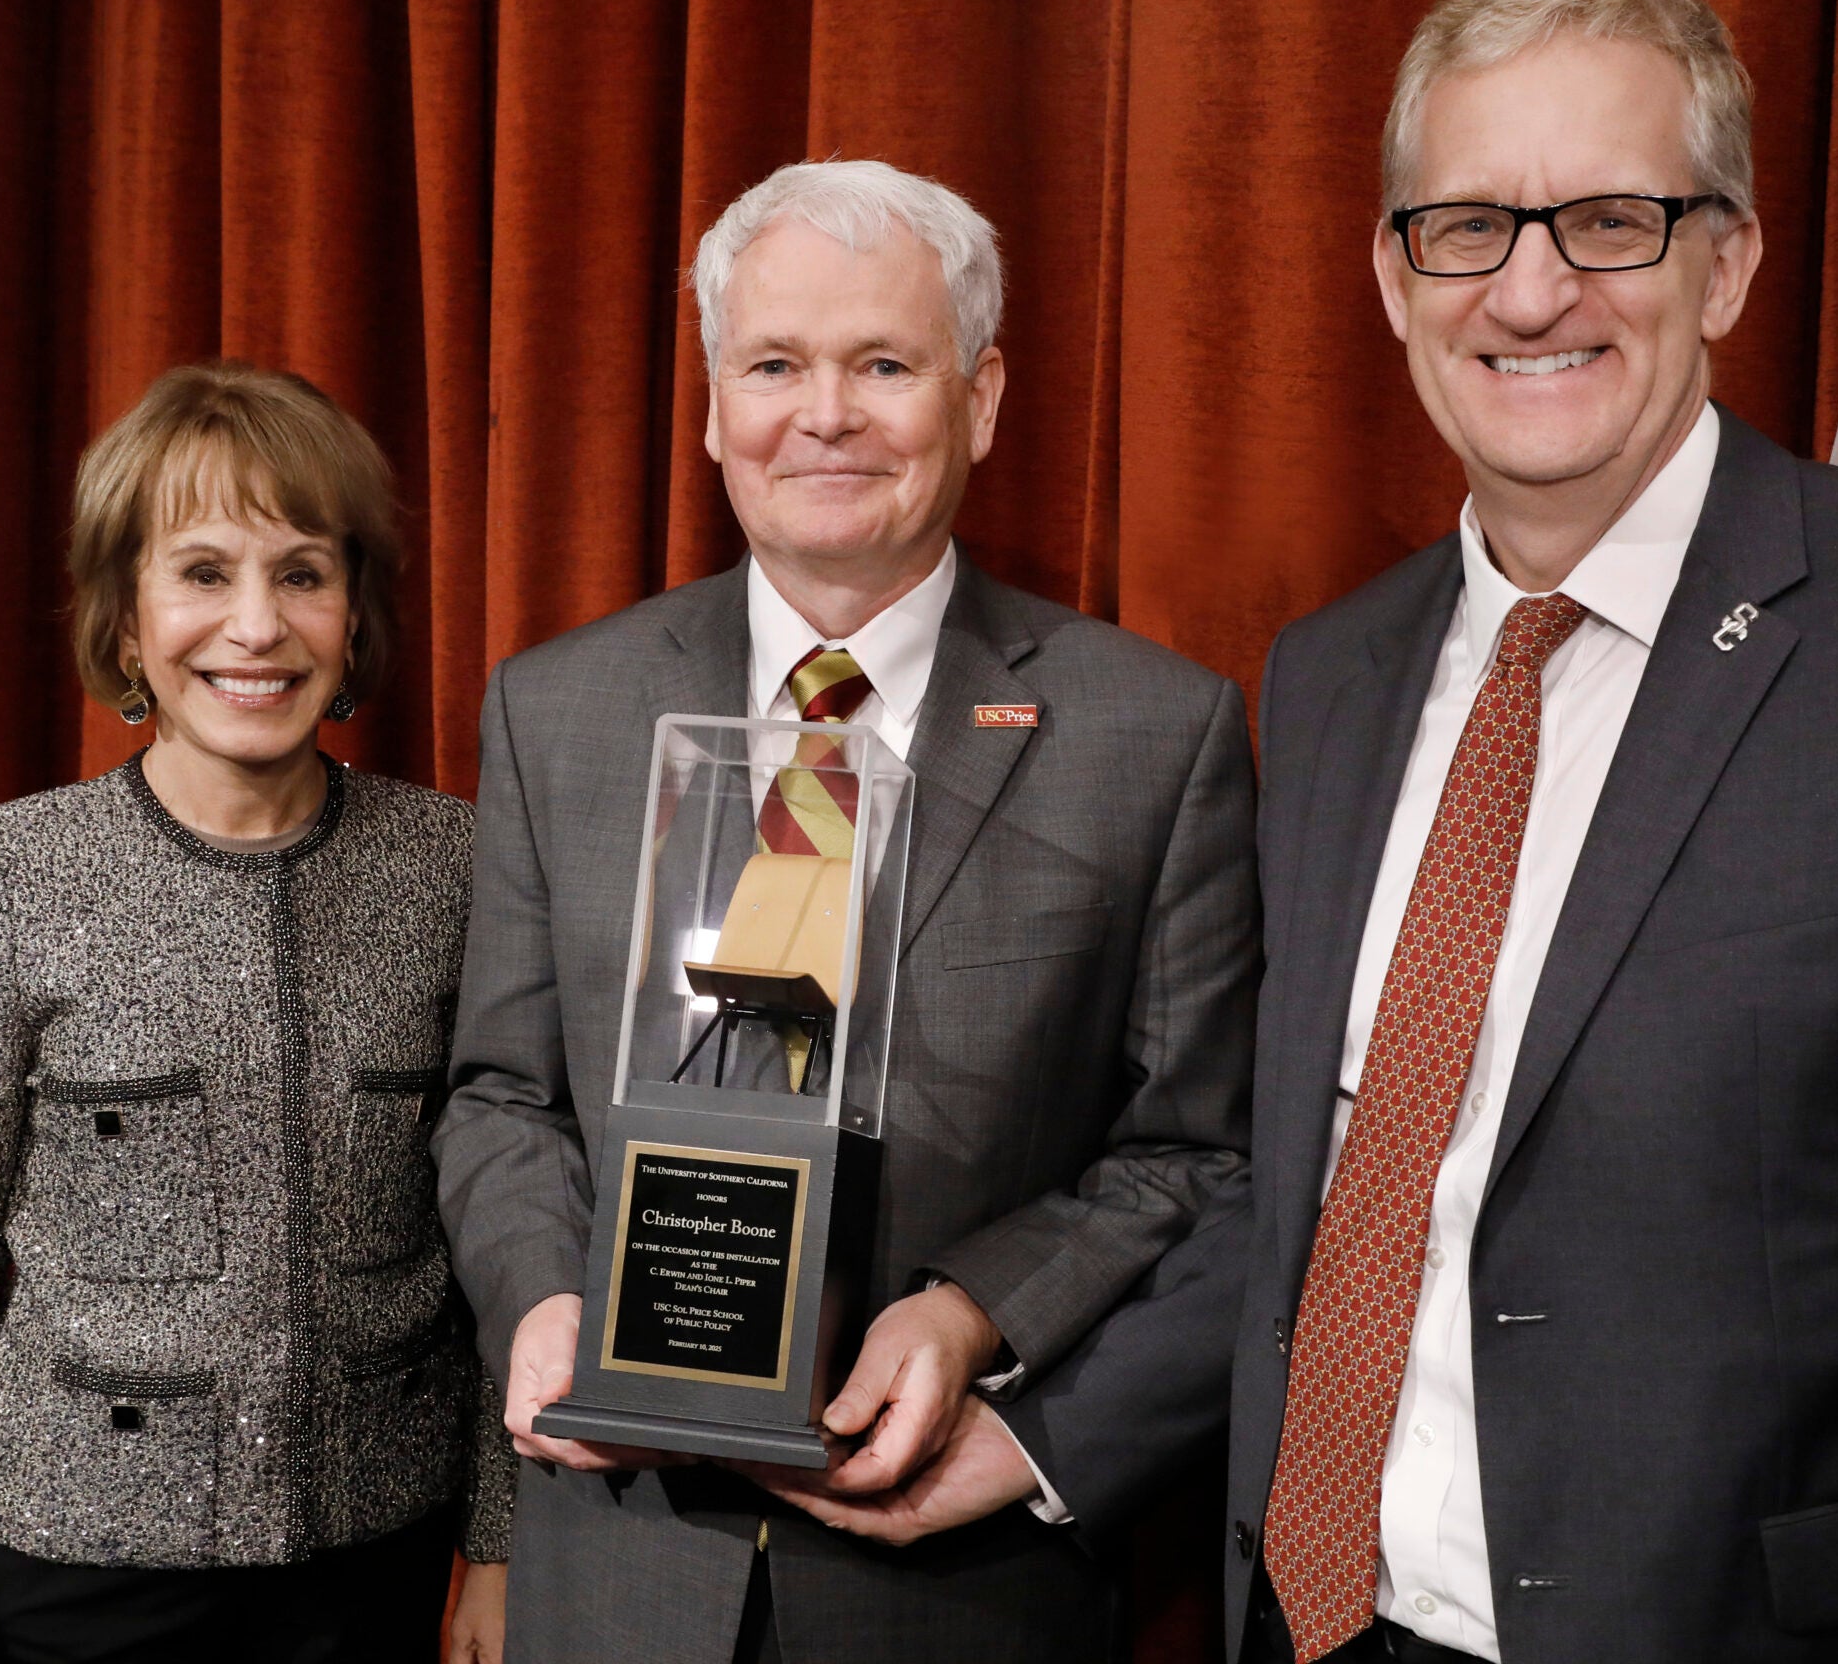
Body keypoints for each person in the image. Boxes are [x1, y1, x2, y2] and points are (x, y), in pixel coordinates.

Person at [962, 0, 1838, 1662]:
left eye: (1613, 219)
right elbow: (1323, 1178)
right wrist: (1034, 1432)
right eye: (1466, 225)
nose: (1532, 290)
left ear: (1731, 261)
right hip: (1321, 1629)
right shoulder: (1329, 675)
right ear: (1395, 281)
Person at [431, 158, 1260, 1663]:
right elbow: (501, 1094)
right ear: (710, 407)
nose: (826, 414)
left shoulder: (1158, 733)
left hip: (950, 1580)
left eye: (885, 363)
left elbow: (1193, 1154)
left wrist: (971, 1314)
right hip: (616, 1571)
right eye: (774, 366)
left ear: (982, 399)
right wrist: (543, 1298)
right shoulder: (556, 709)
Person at [0, 362, 513, 1664]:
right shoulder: (7, 872)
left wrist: (497, 1547)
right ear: (125, 621)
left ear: (354, 614)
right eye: (203, 573)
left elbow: (506, 1241)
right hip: (82, 1567)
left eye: (303, 573)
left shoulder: (456, 866)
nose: (257, 626)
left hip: (380, 1556)